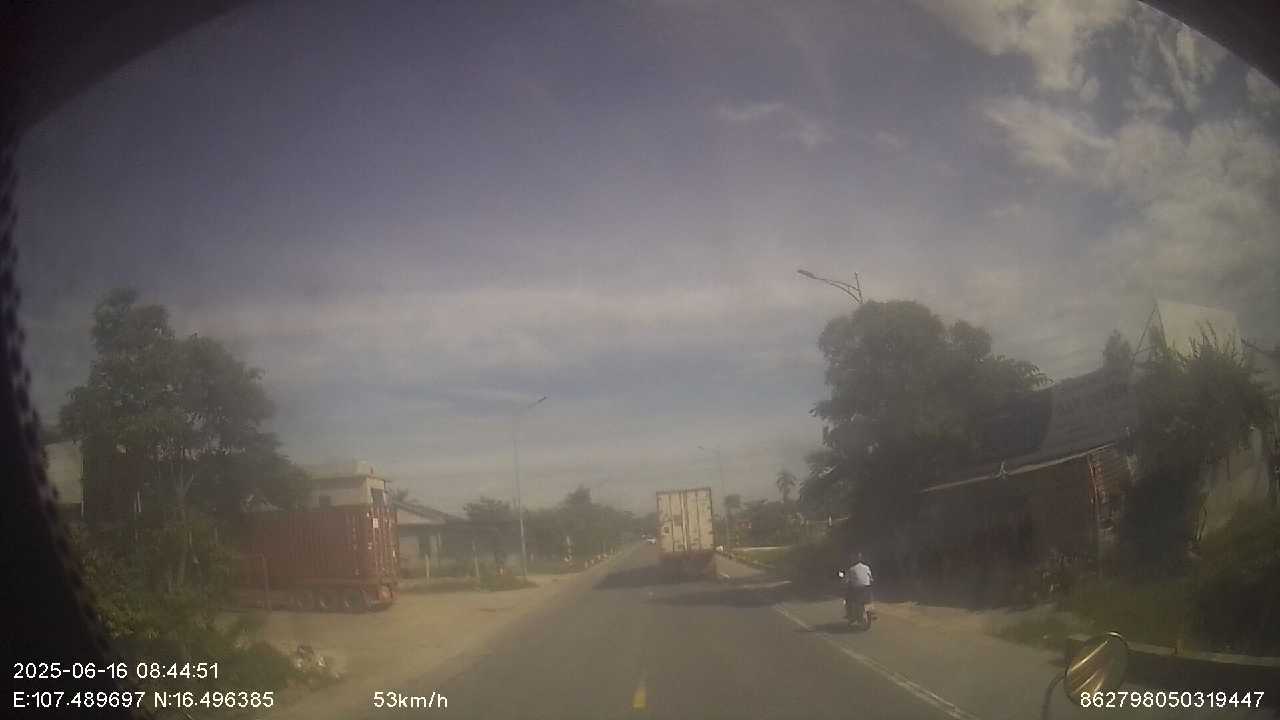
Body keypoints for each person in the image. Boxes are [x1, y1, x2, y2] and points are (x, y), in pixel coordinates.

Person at [846, 552, 873, 622]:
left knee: (850, 600)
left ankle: (852, 615)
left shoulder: (851, 569)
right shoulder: (867, 567)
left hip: (856, 589)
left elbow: (847, 581)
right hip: (867, 588)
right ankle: (870, 612)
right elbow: (871, 579)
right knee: (868, 601)